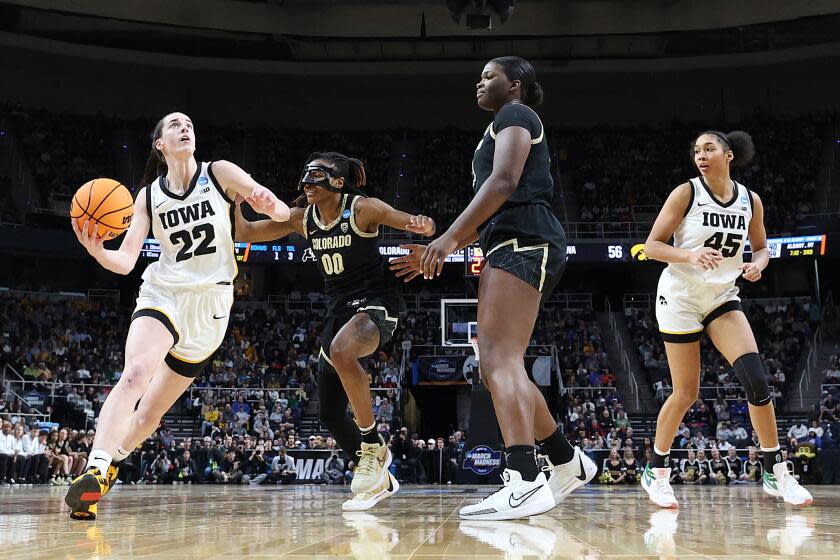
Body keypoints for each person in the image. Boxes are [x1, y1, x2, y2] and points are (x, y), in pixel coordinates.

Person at [389, 56, 596, 521]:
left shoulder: (515, 116)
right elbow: (487, 210)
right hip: (512, 239)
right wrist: (438, 249)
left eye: (488, 76)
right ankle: (566, 462)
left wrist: (445, 240)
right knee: (502, 365)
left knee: (497, 360)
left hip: (526, 238)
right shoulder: (500, 125)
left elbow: (504, 183)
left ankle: (524, 479)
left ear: (515, 85)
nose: (478, 83)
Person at [65, 111, 291, 520]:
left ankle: (113, 462)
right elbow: (127, 260)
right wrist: (98, 251)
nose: (184, 127)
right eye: (174, 124)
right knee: (135, 373)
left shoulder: (220, 173)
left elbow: (277, 211)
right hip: (163, 291)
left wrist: (267, 203)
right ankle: (94, 467)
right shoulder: (148, 196)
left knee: (151, 413)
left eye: (188, 124)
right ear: (160, 143)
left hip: (212, 305)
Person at [235, 151, 434, 510]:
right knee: (328, 412)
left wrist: (423, 229)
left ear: (338, 182)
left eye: (318, 175)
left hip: (376, 300)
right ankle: (378, 477)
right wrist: (236, 199)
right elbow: (244, 232)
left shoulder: (363, 209)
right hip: (337, 309)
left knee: (343, 351)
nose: (309, 181)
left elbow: (419, 223)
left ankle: (373, 444)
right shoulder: (302, 218)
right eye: (307, 174)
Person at [640, 130, 812, 508]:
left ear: (728, 155)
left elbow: (763, 248)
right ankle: (657, 469)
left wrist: (758, 265)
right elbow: (651, 246)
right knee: (686, 393)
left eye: (709, 149)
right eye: (696, 150)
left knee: (757, 382)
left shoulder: (751, 200)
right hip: (681, 298)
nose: (701, 155)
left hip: (721, 296)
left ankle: (775, 471)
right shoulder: (686, 192)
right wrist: (690, 255)